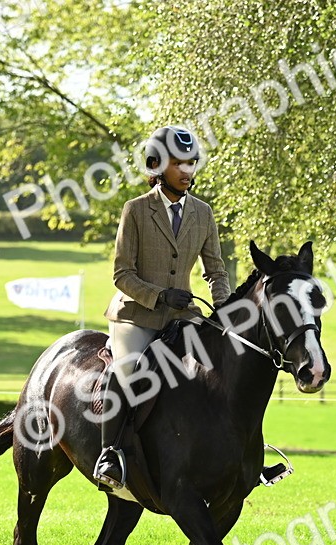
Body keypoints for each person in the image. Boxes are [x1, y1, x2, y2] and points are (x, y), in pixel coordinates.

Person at [93, 126, 231, 492]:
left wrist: (225, 310)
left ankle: (234, 449)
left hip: (182, 317)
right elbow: (122, 274)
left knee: (221, 366)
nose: (187, 171)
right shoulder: (136, 210)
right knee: (127, 373)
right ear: (157, 165)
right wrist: (160, 295)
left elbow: (216, 271)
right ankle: (110, 455)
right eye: (178, 163)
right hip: (135, 314)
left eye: (191, 163)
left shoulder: (203, 213)